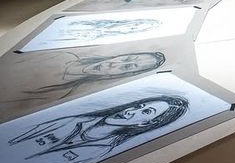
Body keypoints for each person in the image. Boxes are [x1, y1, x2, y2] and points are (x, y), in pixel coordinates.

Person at [9, 95, 189, 163]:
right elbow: (10, 141)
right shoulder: (72, 120)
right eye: (138, 106)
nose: (129, 111)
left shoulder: (99, 151)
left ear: (146, 123)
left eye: (145, 112)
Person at [19, 52, 166, 102]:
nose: (113, 64)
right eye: (126, 58)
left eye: (127, 66)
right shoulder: (62, 56)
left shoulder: (60, 94)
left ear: (125, 75)